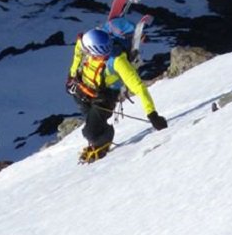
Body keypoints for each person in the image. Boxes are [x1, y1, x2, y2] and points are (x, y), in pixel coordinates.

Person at [66, 26, 167, 159]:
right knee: (92, 122)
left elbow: (138, 87)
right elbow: (78, 51)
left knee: (89, 131)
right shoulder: (86, 43)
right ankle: (97, 137)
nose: (86, 52)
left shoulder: (118, 61)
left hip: (103, 99)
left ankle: (102, 138)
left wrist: (152, 114)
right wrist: (72, 75)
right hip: (82, 91)